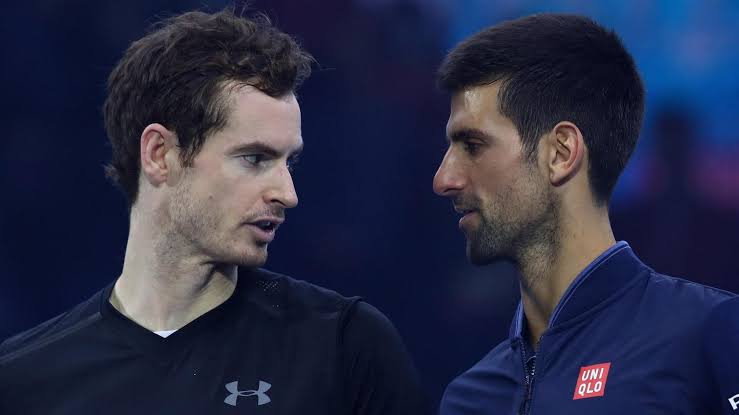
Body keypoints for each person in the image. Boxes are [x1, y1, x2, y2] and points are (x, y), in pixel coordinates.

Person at [0, 8, 427, 415]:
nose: (288, 194)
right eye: (254, 159)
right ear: (160, 154)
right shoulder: (25, 380)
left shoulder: (344, 346)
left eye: (289, 162)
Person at [432, 13, 739, 414]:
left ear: (561, 153)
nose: (444, 179)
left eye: (473, 145)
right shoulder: (468, 398)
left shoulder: (708, 335)